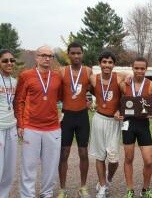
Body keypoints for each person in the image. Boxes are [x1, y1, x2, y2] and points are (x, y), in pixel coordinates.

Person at [15, 46, 62, 198]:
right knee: (29, 165)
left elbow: (61, 97)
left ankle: (46, 193)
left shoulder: (56, 77)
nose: (47, 58)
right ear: (36, 57)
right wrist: (21, 124)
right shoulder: (25, 76)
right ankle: (27, 195)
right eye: (43, 55)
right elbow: (20, 101)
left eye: (50, 56)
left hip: (53, 127)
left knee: (51, 166)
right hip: (31, 127)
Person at [116, 57, 152, 198]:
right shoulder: (124, 84)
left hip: (143, 125)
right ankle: (130, 189)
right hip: (128, 124)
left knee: (148, 160)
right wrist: (117, 112)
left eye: (142, 68)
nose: (139, 71)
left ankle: (145, 190)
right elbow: (118, 103)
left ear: (146, 69)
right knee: (128, 158)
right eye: (136, 68)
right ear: (132, 68)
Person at [88, 50, 127, 198]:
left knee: (114, 159)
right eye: (104, 62)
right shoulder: (93, 78)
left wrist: (119, 109)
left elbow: (128, 93)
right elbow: (86, 90)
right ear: (100, 63)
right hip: (99, 119)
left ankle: (108, 179)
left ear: (114, 65)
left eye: (110, 62)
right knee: (99, 156)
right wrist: (87, 101)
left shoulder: (120, 78)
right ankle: (102, 186)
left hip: (113, 121)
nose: (107, 65)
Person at [58, 42, 92, 198]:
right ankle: (63, 189)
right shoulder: (62, 71)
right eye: (73, 53)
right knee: (64, 153)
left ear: (82, 54)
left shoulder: (88, 71)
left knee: (83, 152)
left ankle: (83, 187)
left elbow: (96, 89)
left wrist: (90, 100)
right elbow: (55, 92)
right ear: (68, 54)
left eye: (79, 53)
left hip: (82, 116)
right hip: (67, 116)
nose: (76, 56)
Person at [0, 49, 18, 198]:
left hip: (11, 127)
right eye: (5, 60)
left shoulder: (14, 81)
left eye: (12, 60)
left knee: (9, 168)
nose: (9, 63)